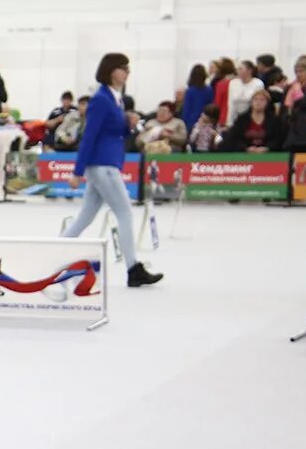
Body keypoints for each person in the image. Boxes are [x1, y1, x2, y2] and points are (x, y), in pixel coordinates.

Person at [61, 53, 162, 288]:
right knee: (125, 213)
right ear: (111, 71)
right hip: (103, 165)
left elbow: (114, 133)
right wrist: (77, 171)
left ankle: (55, 253)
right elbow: (89, 136)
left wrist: (128, 125)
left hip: (106, 163)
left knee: (85, 216)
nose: (128, 72)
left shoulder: (116, 99)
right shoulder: (101, 99)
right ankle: (133, 268)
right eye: (123, 68)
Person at [220, 89, 286, 153]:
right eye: (256, 99)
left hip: (268, 154)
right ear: (251, 102)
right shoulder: (242, 119)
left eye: (262, 100)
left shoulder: (274, 120)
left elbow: (278, 139)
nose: (258, 102)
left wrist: (267, 148)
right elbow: (235, 137)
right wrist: (246, 148)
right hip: (244, 153)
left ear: (267, 103)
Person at [226, 61, 264, 128]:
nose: (238, 71)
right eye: (237, 69)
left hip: (251, 118)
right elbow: (230, 103)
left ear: (249, 70)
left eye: (240, 69)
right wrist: (229, 122)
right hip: (236, 117)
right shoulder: (233, 83)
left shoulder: (258, 83)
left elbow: (259, 102)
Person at [179, 64, 213, 135]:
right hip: (205, 121)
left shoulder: (190, 91)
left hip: (191, 122)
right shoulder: (209, 90)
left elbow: (186, 109)